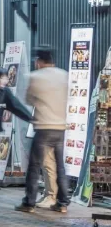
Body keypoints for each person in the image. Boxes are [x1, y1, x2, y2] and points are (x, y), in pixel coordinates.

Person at [16, 46, 70, 213]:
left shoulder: (35, 76)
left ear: (38, 61)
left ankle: (29, 203)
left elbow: (29, 99)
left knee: (34, 165)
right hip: (60, 127)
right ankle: (62, 203)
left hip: (43, 127)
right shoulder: (64, 75)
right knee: (60, 166)